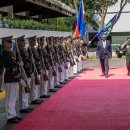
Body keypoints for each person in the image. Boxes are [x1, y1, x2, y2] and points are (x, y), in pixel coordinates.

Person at [2, 36, 22, 123]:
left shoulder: (11, 53)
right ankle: (9, 116)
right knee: (9, 98)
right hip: (9, 78)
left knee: (13, 98)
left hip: (14, 77)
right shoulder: (4, 53)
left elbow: (14, 63)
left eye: (10, 42)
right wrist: (17, 65)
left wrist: (18, 65)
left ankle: (13, 114)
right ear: (4, 43)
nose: (10, 44)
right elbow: (9, 65)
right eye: (8, 42)